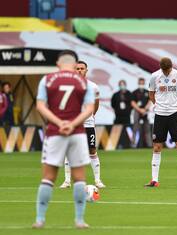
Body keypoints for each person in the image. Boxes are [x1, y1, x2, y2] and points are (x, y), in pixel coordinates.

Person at [32, 50, 95, 229]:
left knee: (48, 177)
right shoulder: (85, 83)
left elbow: (40, 106)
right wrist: (72, 124)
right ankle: (80, 220)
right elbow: (89, 109)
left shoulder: (48, 79)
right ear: (75, 64)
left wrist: (60, 123)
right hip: (77, 133)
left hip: (54, 132)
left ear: (59, 63)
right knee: (79, 177)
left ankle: (40, 219)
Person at [145, 57, 177, 187]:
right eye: (165, 70)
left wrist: (175, 105)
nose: (167, 73)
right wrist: (159, 105)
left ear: (171, 67)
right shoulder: (155, 76)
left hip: (174, 115)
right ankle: (154, 180)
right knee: (157, 147)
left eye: (168, 70)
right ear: (161, 68)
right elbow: (151, 94)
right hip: (160, 115)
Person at [60, 60, 106, 189]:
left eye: (82, 68)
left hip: (88, 124)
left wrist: (90, 115)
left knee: (92, 150)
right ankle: (67, 181)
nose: (80, 71)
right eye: (77, 69)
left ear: (86, 70)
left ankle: (97, 180)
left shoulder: (93, 86)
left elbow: (96, 104)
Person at [131, 77, 152, 148]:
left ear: (144, 83)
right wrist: (139, 110)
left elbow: (150, 101)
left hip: (145, 111)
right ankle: (133, 144)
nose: (141, 84)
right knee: (135, 128)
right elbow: (133, 102)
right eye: (140, 83)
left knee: (147, 128)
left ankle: (149, 144)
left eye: (142, 83)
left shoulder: (147, 92)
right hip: (137, 111)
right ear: (138, 83)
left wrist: (145, 109)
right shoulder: (134, 92)